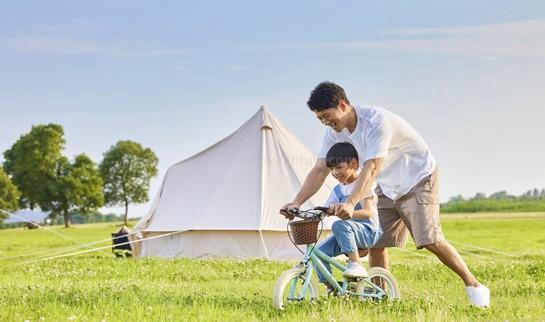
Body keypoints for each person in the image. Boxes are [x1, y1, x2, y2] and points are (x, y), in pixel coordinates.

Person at [279, 81, 490, 307]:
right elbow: (320, 170)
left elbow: (371, 168)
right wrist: (296, 202)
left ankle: (474, 286)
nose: (326, 123)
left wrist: (351, 202)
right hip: (387, 185)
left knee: (430, 239)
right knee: (376, 239)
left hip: (418, 178)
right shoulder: (333, 134)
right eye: (320, 119)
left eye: (328, 116)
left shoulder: (375, 122)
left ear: (342, 105)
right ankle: (381, 298)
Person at [288, 142, 382, 291]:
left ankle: (356, 264)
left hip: (368, 231)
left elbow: (367, 214)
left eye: (339, 167)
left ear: (353, 163)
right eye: (331, 169)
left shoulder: (364, 185)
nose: (334, 172)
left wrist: (347, 211)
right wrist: (305, 213)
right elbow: (324, 210)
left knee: (338, 225)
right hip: (346, 232)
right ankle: (333, 288)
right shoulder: (338, 189)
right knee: (317, 253)